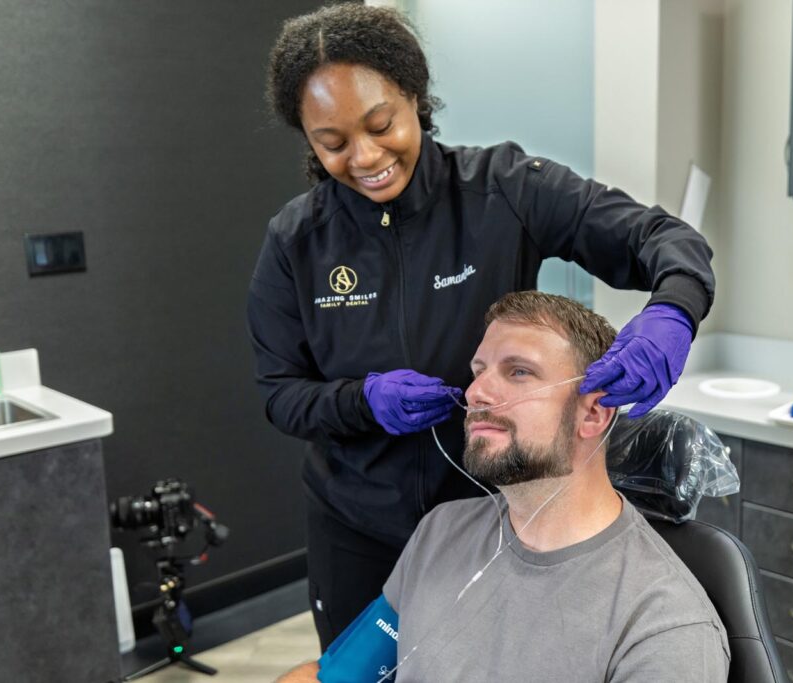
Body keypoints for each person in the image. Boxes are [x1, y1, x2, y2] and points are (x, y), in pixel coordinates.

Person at [248, 3, 716, 653]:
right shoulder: (296, 242)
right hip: (356, 530)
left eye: (382, 124)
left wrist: (673, 310)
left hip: (491, 521)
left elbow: (661, 238)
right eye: (332, 142)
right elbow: (280, 393)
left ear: (415, 94)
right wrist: (363, 401)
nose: (366, 156)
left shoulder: (503, 189)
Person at [277, 291, 729, 682]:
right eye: (478, 370)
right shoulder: (442, 531)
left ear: (593, 414)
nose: (475, 392)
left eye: (518, 372)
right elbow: (342, 675)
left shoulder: (663, 624)